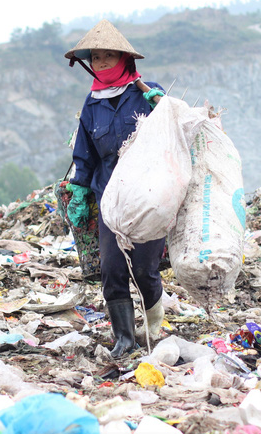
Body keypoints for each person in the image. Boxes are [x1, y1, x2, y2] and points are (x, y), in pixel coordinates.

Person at [64, 19, 166, 358]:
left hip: (148, 195)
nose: (102, 62)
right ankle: (124, 338)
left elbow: (175, 134)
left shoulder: (146, 93)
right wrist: (79, 189)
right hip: (108, 195)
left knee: (143, 270)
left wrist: (164, 107)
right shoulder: (92, 104)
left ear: (125, 59)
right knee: (111, 268)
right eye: (95, 56)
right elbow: (86, 153)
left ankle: (152, 326)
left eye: (109, 55)